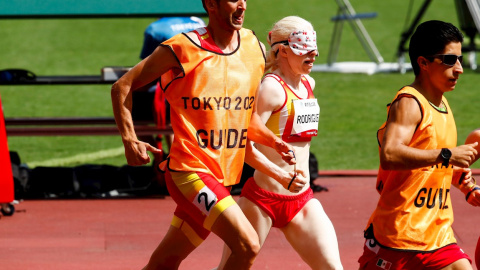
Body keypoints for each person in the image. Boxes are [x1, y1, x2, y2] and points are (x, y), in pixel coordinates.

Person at [111, 0, 302, 269]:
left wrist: (273, 141)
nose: (242, 5)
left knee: (165, 262)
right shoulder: (181, 48)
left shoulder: (254, 48)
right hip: (189, 172)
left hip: (221, 177)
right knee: (247, 244)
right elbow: (123, 86)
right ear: (211, 4)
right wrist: (129, 140)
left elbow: (241, 118)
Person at [217, 16, 343, 270]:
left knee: (333, 267)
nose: (314, 54)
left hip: (301, 199)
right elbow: (243, 145)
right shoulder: (270, 89)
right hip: (262, 200)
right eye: (305, 49)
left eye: (314, 48)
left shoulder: (309, 83)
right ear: (283, 50)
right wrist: (279, 174)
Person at [358, 20, 480, 270]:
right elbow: (390, 154)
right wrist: (447, 155)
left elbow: (430, 165)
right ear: (423, 62)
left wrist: (462, 181)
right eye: (449, 60)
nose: (459, 69)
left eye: (459, 59)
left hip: (438, 235)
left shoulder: (443, 104)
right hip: (399, 237)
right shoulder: (409, 103)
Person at [134, 16, 206, 152]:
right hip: (202, 90)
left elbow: (149, 71)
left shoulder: (155, 29)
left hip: (172, 95)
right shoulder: (199, 23)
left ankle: (161, 160)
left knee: (134, 108)